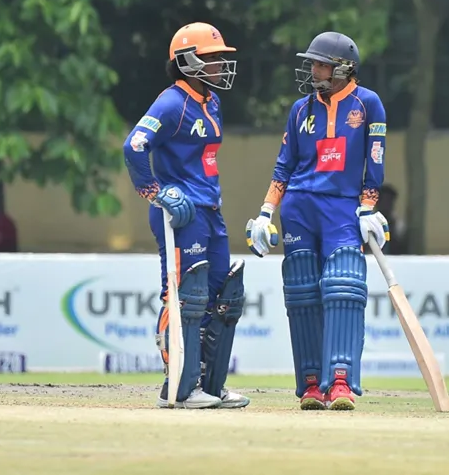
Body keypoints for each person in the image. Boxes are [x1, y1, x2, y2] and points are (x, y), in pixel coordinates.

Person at [245, 31, 389, 411]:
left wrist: (369, 205)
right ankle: (311, 383)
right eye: (312, 63)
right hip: (299, 208)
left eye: (320, 63)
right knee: (303, 292)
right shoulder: (300, 109)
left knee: (343, 288)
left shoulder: (368, 104)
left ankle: (339, 381)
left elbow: (375, 160)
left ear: (343, 67)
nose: (313, 70)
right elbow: (284, 165)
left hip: (342, 207)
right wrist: (265, 212)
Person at [122, 22, 249, 410]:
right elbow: (135, 145)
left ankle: (210, 384)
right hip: (180, 214)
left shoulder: (211, 101)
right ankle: (177, 384)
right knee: (185, 297)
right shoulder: (171, 102)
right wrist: (155, 193)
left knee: (219, 297)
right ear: (186, 61)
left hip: (210, 209)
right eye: (211, 59)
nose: (219, 66)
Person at [376, 184, 407, 254]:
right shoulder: (367, 221)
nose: (386, 205)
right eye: (383, 201)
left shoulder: (399, 223)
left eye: (389, 201)